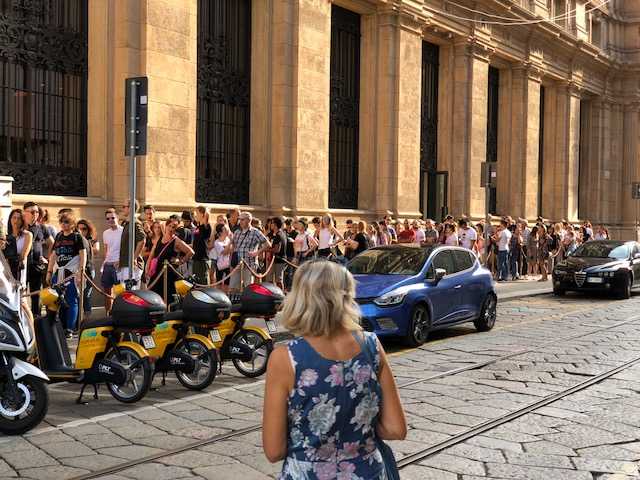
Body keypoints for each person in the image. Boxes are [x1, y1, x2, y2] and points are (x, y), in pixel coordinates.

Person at [262, 260, 407, 478]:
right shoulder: (371, 346)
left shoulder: (285, 358)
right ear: (347, 297)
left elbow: (274, 451)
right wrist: (355, 437)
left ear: (300, 298)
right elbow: (396, 428)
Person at [47, 212, 86, 337]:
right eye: (62, 222)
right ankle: (58, 326)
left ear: (72, 224)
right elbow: (53, 255)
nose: (63, 224)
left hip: (71, 272)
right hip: (58, 272)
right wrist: (49, 272)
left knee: (71, 300)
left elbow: (82, 255)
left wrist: (81, 272)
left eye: (66, 222)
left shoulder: (77, 237)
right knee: (55, 300)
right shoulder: (58, 236)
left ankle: (70, 328)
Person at [146, 218, 194, 300]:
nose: (171, 229)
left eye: (173, 227)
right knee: (153, 296)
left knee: (167, 297)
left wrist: (180, 261)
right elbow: (152, 253)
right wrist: (147, 266)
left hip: (169, 274)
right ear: (166, 226)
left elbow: (191, 252)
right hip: (156, 273)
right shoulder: (160, 238)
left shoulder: (176, 241)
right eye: (169, 226)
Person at [23, 202, 53, 315]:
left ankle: (36, 319)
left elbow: (52, 244)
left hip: (37, 267)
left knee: (36, 296)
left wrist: (47, 258)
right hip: (22, 266)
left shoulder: (42, 227)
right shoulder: (20, 226)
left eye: (37, 212)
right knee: (21, 294)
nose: (35, 214)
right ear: (25, 212)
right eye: (32, 212)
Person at [230, 212, 272, 290]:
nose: (240, 222)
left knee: (249, 288)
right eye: (239, 220)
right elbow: (233, 247)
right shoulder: (237, 232)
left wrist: (257, 252)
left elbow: (268, 244)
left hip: (249, 265)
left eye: (242, 220)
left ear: (248, 220)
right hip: (237, 264)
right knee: (233, 287)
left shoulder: (255, 232)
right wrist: (231, 263)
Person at [119, 199, 146, 287]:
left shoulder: (135, 223)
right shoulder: (127, 223)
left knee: (131, 294)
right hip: (125, 264)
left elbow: (142, 239)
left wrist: (134, 258)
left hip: (131, 266)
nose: (122, 209)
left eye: (124, 207)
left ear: (131, 208)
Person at [101, 209, 123, 314]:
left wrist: (121, 261)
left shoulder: (123, 231)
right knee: (107, 292)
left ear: (117, 218)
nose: (110, 220)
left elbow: (126, 248)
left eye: (113, 218)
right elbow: (106, 250)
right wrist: (104, 262)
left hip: (118, 265)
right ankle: (108, 314)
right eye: (108, 218)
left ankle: (119, 312)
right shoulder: (105, 233)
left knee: (120, 292)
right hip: (108, 265)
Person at [5, 209, 33, 288]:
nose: (16, 220)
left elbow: (23, 256)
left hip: (19, 270)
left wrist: (8, 257)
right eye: (14, 218)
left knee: (21, 298)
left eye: (19, 218)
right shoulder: (5, 236)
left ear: (22, 221)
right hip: (5, 272)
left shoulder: (27, 235)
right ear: (10, 219)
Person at [77, 219, 99, 319]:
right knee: (76, 296)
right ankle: (77, 321)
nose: (81, 231)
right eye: (78, 229)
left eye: (84, 229)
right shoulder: (75, 239)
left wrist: (84, 246)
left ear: (88, 229)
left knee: (86, 296)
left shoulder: (92, 239)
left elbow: (97, 250)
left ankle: (87, 320)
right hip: (75, 271)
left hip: (89, 270)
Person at [192, 206, 212, 285]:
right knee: (196, 280)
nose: (195, 215)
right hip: (196, 257)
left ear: (203, 214)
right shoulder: (198, 227)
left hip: (203, 258)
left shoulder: (206, 226)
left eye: (197, 213)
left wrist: (206, 211)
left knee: (203, 281)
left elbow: (206, 218)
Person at [267, 217, 287, 290]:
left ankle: (281, 295)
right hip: (272, 260)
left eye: (272, 223)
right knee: (270, 279)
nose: (270, 224)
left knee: (279, 280)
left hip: (279, 260)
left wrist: (265, 250)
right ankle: (271, 294)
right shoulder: (272, 234)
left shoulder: (280, 235)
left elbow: (277, 250)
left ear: (275, 224)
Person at [213, 224, 232, 293]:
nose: (227, 230)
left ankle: (226, 297)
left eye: (227, 229)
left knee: (227, 283)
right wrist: (230, 243)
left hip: (229, 265)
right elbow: (224, 252)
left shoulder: (228, 240)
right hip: (220, 265)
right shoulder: (217, 242)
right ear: (220, 232)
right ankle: (219, 297)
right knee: (219, 283)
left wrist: (230, 242)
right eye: (225, 229)